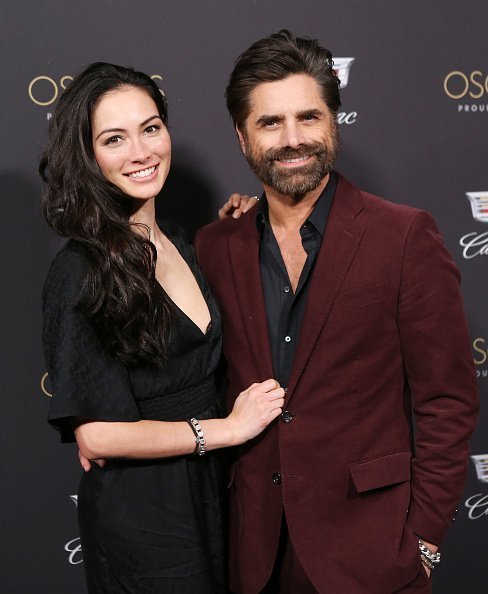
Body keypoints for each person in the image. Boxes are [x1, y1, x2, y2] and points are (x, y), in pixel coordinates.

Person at [194, 30, 479, 594]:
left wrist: (422, 540)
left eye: (309, 117)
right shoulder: (214, 248)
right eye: (270, 123)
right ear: (242, 137)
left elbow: (448, 399)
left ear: (334, 122)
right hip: (252, 556)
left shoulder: (403, 237)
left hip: (371, 553)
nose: (293, 139)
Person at [40, 62, 285, 594]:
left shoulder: (181, 240)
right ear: (88, 156)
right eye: (114, 138)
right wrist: (227, 429)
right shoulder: (80, 269)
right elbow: (97, 434)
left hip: (214, 495)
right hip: (144, 516)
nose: (141, 151)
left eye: (151, 128)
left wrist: (247, 227)